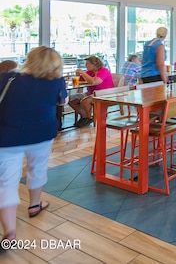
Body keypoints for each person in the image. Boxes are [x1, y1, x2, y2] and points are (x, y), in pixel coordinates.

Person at [0, 46, 68, 243]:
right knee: (37, 168)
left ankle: (10, 231)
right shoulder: (57, 82)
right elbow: (63, 102)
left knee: (6, 182)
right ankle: (34, 205)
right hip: (41, 133)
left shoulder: (9, 77)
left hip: (7, 135)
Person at [69, 55, 114, 126]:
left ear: (94, 64)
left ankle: (88, 118)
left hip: (104, 93)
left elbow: (94, 82)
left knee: (85, 101)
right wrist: (78, 75)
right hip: (91, 92)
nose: (85, 65)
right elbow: (79, 81)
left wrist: (83, 73)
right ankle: (85, 117)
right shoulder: (90, 72)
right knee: (71, 100)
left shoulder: (104, 71)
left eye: (87, 64)